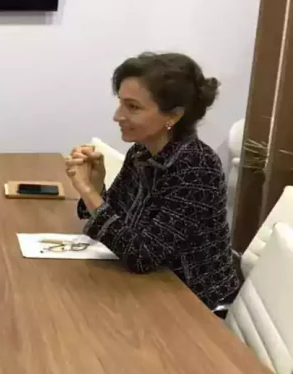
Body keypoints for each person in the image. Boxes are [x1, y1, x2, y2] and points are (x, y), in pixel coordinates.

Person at [65, 52, 240, 309]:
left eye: (133, 107)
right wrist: (96, 186)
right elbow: (116, 225)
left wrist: (87, 191)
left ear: (173, 116)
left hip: (195, 304)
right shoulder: (142, 152)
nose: (118, 116)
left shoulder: (196, 166)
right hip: (153, 287)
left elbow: (141, 256)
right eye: (120, 103)